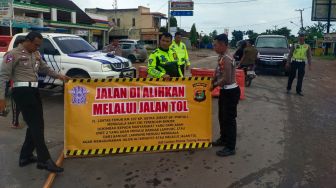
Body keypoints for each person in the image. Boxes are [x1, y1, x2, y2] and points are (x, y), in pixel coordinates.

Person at [0, 31, 70, 173]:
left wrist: (60, 76)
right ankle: (44, 160)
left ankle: (25, 156)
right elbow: (3, 77)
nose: (37, 47)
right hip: (22, 92)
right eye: (36, 45)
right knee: (36, 125)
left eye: (39, 45)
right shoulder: (12, 54)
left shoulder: (36, 54)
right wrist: (1, 99)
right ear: (28, 41)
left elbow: (45, 68)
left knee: (37, 124)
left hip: (34, 91)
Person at [210, 34, 241, 157]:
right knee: (222, 117)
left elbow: (227, 79)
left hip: (230, 92)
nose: (214, 47)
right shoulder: (221, 56)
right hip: (225, 91)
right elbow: (218, 71)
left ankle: (230, 147)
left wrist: (214, 85)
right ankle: (223, 139)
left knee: (229, 120)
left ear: (223, 45)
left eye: (215, 45)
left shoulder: (227, 58)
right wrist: (213, 79)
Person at [286, 31, 312, 96]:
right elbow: (290, 55)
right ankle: (288, 89)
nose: (301, 38)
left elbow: (309, 56)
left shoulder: (307, 46)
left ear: (304, 37)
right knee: (292, 76)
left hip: (302, 63)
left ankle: (298, 91)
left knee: (300, 77)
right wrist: (288, 62)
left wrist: (310, 65)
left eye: (302, 36)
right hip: (294, 62)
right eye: (300, 36)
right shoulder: (294, 45)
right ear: (298, 37)